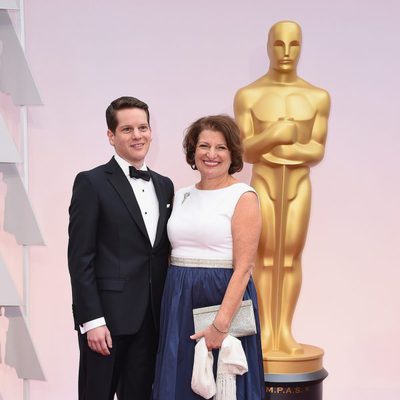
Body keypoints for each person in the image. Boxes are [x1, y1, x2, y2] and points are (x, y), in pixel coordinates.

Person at [234, 20, 330, 357]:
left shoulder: (317, 97)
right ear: (268, 46)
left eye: (294, 45)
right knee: (261, 258)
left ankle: (284, 331)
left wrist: (282, 149)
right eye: (279, 44)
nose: (287, 52)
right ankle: (264, 331)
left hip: (298, 184)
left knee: (289, 257)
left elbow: (316, 149)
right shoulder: (249, 95)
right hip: (264, 182)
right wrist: (275, 135)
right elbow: (245, 150)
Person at [67, 96, 174, 400]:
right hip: (107, 323)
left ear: (151, 131)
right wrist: (92, 321)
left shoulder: (165, 185)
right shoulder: (91, 182)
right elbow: (80, 258)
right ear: (111, 136)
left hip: (151, 321)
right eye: (127, 129)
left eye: (143, 127)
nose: (137, 135)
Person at [152, 115, 264, 400]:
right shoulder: (181, 195)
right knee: (177, 382)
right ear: (193, 151)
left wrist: (220, 324)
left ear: (233, 154)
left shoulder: (244, 196)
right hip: (178, 299)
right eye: (204, 146)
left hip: (221, 298)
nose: (211, 154)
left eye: (221, 148)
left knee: (223, 384)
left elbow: (244, 268)